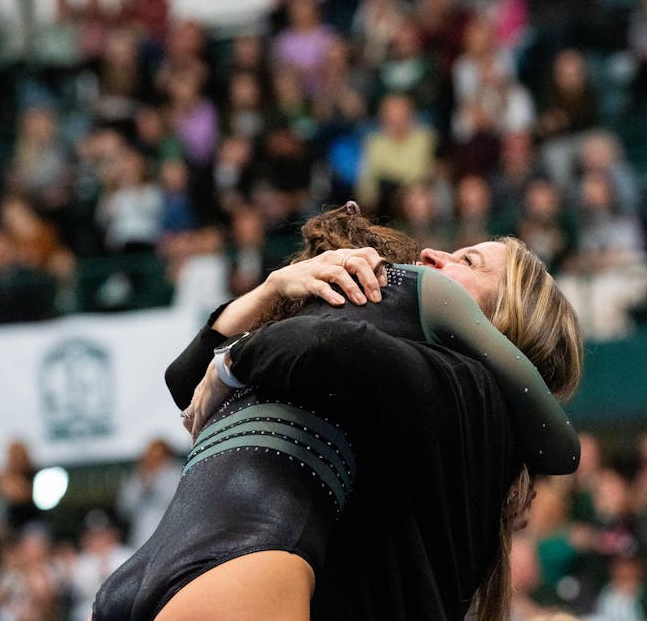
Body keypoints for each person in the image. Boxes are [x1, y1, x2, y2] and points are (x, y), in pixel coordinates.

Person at [94, 204, 582, 620]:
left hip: (213, 565)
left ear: (501, 326)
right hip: (218, 560)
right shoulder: (363, 338)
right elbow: (183, 383)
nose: (433, 254)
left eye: (468, 262)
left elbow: (326, 344)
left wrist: (233, 363)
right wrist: (268, 293)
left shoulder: (462, 382)